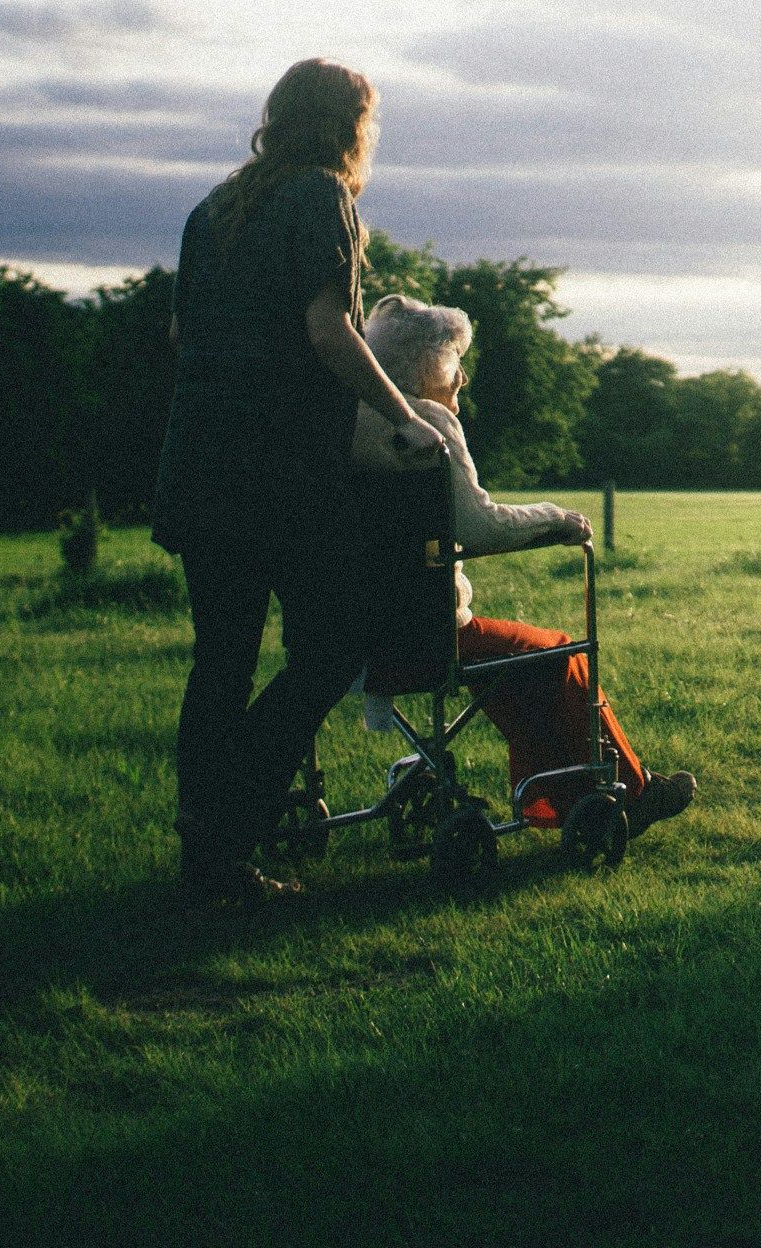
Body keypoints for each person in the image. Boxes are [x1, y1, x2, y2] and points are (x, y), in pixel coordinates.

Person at [152, 58, 446, 902]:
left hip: (198, 465)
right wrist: (404, 415)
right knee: (330, 648)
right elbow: (330, 330)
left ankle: (205, 855)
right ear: (351, 124)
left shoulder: (213, 210)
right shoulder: (322, 199)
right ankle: (226, 824)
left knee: (223, 662)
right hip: (276, 475)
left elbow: (183, 332)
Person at [349, 294, 696, 837]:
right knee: (558, 653)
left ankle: (558, 801)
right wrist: (554, 517)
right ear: (422, 367)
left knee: (516, 664)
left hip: (358, 635)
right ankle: (629, 791)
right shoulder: (427, 426)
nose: (462, 376)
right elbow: (480, 527)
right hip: (427, 635)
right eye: (453, 361)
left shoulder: (353, 425)